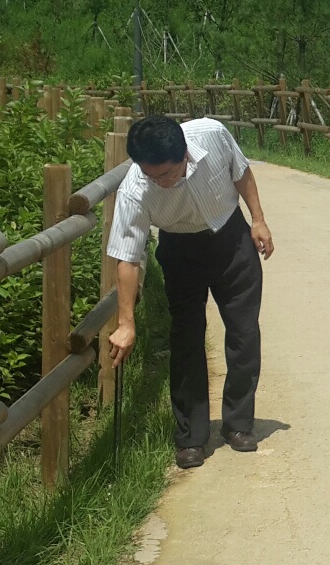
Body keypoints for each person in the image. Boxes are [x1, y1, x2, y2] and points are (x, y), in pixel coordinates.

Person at [104, 114, 276, 470]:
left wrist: (258, 220)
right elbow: (127, 258)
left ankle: (239, 424)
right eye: (152, 175)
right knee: (186, 337)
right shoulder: (135, 188)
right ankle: (191, 437)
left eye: (167, 173)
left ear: (184, 153)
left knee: (244, 332)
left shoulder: (212, 135)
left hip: (231, 240)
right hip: (180, 250)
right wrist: (126, 321)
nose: (161, 183)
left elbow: (241, 172)